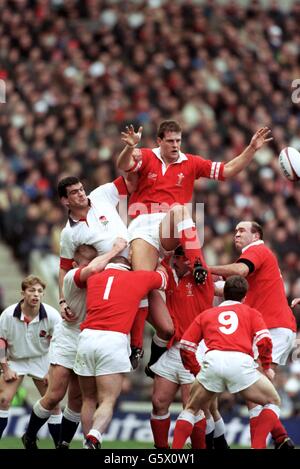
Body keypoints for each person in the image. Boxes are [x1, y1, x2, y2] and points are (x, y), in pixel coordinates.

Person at [116, 121, 272, 370]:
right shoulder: (146, 156)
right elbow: (124, 165)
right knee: (146, 288)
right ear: (159, 141)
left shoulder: (191, 162)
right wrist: (130, 147)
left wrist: (252, 149)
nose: (176, 145)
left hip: (174, 226)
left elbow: (228, 170)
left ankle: (199, 266)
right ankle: (143, 347)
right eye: (170, 141)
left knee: (181, 210)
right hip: (144, 224)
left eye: (179, 140)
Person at [22, 239, 127, 449]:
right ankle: (30, 435)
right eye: (86, 258)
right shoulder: (73, 276)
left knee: (78, 400)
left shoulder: (104, 278)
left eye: (93, 257)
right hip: (69, 337)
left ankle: (63, 444)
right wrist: (115, 249)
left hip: (88, 339)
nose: (91, 262)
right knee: (54, 395)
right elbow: (93, 268)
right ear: (75, 263)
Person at [209, 221, 297, 449]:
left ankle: (261, 445)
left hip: (273, 327)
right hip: (271, 328)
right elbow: (228, 288)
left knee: (256, 390)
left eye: (242, 231)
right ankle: (280, 439)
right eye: (235, 230)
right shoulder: (256, 260)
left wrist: (208, 268)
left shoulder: (256, 251)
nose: (236, 234)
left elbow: (239, 271)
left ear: (256, 235)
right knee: (254, 392)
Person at [172, 275, 281, 450]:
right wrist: (266, 367)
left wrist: (196, 371)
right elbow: (265, 341)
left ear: (223, 294)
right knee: (273, 401)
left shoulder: (207, 314)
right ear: (245, 296)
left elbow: (185, 346)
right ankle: (258, 447)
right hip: (240, 362)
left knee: (191, 409)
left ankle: (173, 453)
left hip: (213, 360)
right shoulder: (252, 313)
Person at [73, 255, 167, 449]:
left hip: (87, 337)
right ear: (128, 267)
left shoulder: (95, 276)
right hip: (113, 339)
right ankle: (94, 436)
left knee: (88, 398)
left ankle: (86, 442)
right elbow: (163, 278)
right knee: (108, 399)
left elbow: (83, 270)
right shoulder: (138, 277)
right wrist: (155, 258)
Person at [150, 245, 212, 449]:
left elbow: (198, 258)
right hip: (172, 348)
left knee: (191, 407)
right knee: (159, 402)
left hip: (195, 349)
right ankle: (162, 451)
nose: (173, 261)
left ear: (188, 260)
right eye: (173, 257)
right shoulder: (169, 275)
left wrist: (196, 263)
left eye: (178, 258)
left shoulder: (201, 277)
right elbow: (154, 261)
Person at [0, 275, 62, 447]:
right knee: (3, 400)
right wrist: (5, 368)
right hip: (15, 358)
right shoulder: (7, 314)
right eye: (31, 290)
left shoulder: (52, 315)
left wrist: (51, 370)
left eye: (40, 291)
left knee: (54, 404)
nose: (36, 294)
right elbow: (1, 341)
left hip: (42, 359)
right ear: (23, 293)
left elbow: (58, 344)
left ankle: (50, 442)